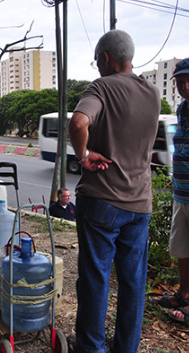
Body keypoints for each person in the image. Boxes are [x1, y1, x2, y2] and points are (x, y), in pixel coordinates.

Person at [68, 30, 160, 353]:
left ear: (105, 59)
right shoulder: (153, 93)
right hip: (140, 205)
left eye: (97, 62)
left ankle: (91, 348)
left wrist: (83, 156)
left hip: (102, 202)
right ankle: (126, 348)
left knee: (96, 279)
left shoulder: (102, 87)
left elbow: (79, 123)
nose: (97, 68)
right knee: (133, 283)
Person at [154, 58, 189, 323]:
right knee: (180, 248)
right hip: (180, 192)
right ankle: (183, 293)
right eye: (179, 82)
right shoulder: (182, 110)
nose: (185, 86)